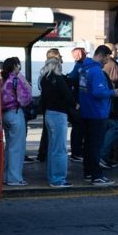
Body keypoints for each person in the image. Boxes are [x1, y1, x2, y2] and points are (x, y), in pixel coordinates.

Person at [79, 45, 118, 186]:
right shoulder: (96, 71)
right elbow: (98, 92)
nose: (106, 62)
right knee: (95, 146)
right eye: (106, 59)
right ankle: (97, 175)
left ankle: (88, 172)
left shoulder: (85, 69)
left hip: (86, 112)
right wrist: (112, 93)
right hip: (97, 113)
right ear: (101, 56)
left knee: (88, 145)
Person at [39, 57, 76, 187]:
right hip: (59, 114)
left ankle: (52, 176)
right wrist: (75, 105)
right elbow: (67, 96)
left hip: (48, 114)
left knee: (52, 148)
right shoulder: (58, 79)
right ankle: (58, 179)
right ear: (57, 66)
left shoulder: (44, 80)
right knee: (60, 148)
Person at [0, 57, 32, 186]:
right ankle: (14, 178)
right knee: (17, 148)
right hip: (15, 114)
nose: (19, 67)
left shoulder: (2, 81)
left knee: (9, 148)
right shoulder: (16, 80)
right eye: (18, 65)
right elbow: (24, 100)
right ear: (15, 66)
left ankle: (5, 175)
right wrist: (27, 87)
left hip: (4, 115)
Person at [100, 43, 118, 167]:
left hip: (104, 105)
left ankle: (106, 156)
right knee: (115, 127)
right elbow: (115, 84)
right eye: (114, 50)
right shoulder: (112, 64)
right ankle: (103, 155)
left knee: (106, 130)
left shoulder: (103, 66)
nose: (116, 52)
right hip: (111, 104)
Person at [37, 48, 63, 163]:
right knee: (52, 135)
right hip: (54, 109)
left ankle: (43, 153)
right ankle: (44, 153)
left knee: (47, 132)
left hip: (47, 108)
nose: (62, 58)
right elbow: (64, 93)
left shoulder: (44, 76)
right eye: (59, 56)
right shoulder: (53, 76)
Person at [67, 46, 87, 162]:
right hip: (79, 103)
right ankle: (77, 152)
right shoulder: (79, 67)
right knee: (78, 128)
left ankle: (77, 152)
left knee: (78, 128)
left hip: (78, 102)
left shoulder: (77, 67)